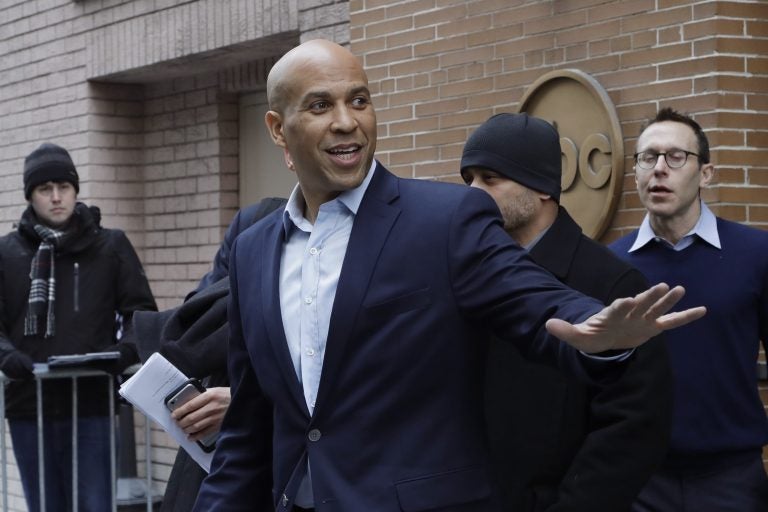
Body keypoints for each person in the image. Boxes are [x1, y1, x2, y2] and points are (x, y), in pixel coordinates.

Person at [192, 39, 705, 512]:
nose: (348, 122)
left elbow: (531, 296)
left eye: (360, 100)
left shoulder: (444, 218)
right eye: (321, 105)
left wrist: (598, 332)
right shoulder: (252, 250)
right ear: (279, 128)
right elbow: (247, 433)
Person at [460, 112, 673, 511]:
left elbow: (633, 427)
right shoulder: (465, 273)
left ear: (542, 188)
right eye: (468, 179)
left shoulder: (613, 284)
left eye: (490, 179)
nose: (473, 194)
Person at [609, 107, 768, 512]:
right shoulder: (609, 264)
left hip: (730, 477)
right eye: (648, 157)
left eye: (676, 157)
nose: (660, 169)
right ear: (637, 173)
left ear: (706, 173)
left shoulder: (755, 254)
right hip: (637, 478)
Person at [0, 142, 157, 512]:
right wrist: (7, 356)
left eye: (64, 187)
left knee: (94, 505)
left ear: (75, 190)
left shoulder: (110, 246)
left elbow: (142, 314)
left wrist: (126, 351)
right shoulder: (7, 253)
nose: (56, 198)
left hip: (93, 405)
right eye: (44, 189)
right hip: (29, 405)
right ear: (30, 195)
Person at [129, 196, 287, 512]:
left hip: (294, 463)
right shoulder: (257, 219)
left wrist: (241, 400)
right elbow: (196, 313)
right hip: (220, 459)